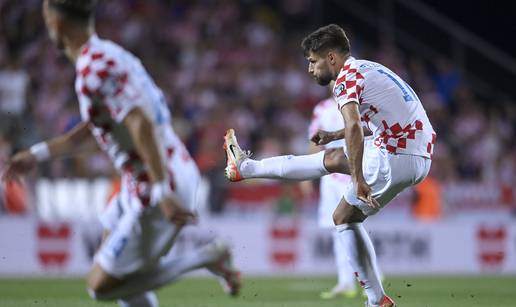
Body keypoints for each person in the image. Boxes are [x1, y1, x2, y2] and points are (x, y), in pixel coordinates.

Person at [2, 1, 240, 306]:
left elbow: (139, 122)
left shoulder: (92, 69)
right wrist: (37, 154)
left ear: (55, 24)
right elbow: (96, 127)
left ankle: (208, 258)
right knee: (119, 270)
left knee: (101, 287)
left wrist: (159, 190)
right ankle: (206, 258)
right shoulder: (110, 55)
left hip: (156, 182)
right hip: (149, 176)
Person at [224, 24, 436, 307]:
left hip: (398, 154)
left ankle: (376, 301)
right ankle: (247, 168)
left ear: (332, 58)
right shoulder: (368, 69)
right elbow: (384, 124)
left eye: (313, 61)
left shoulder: (346, 79)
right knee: (335, 158)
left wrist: (358, 178)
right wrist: (334, 136)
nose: (310, 69)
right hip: (414, 151)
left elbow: (354, 126)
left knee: (343, 217)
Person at [305, 96, 359, 299]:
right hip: (330, 175)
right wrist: (308, 175)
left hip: (354, 171)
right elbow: (314, 141)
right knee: (338, 229)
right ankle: (346, 281)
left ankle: (369, 275)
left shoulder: (358, 103)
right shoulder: (322, 108)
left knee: (353, 227)